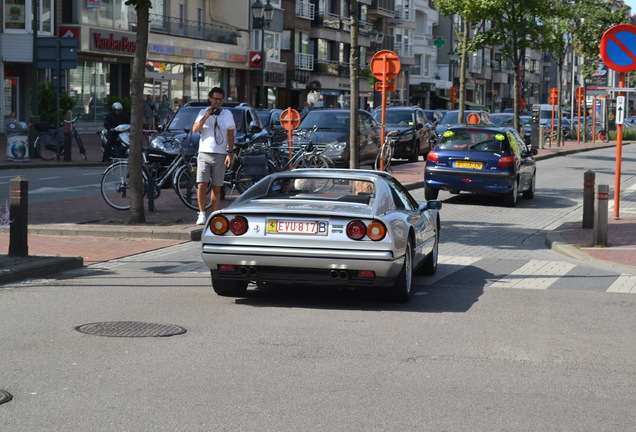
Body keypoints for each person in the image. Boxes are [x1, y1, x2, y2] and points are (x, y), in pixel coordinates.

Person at [192, 87, 235, 225]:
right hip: (204, 152)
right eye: (215, 99)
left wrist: (230, 153)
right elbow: (194, 130)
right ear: (210, 99)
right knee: (201, 184)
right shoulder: (202, 112)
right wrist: (206, 116)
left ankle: (213, 214)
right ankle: (202, 214)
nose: (218, 102)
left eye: (220, 99)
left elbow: (230, 134)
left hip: (221, 154)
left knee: (217, 186)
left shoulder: (227, 113)